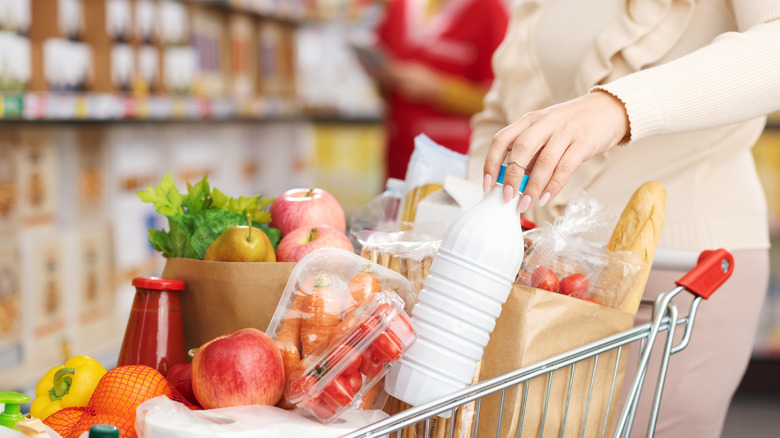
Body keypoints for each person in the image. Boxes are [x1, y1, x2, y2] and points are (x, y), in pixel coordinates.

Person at [468, 1, 780, 437]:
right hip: (537, 278)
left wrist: (615, 108)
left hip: (678, 280)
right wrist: (476, 215)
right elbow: (506, 114)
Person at [369, 0, 509, 180]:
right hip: (398, 157)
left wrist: (438, 90)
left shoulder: (488, 10)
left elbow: (500, 103)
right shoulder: (399, 6)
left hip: (453, 162)